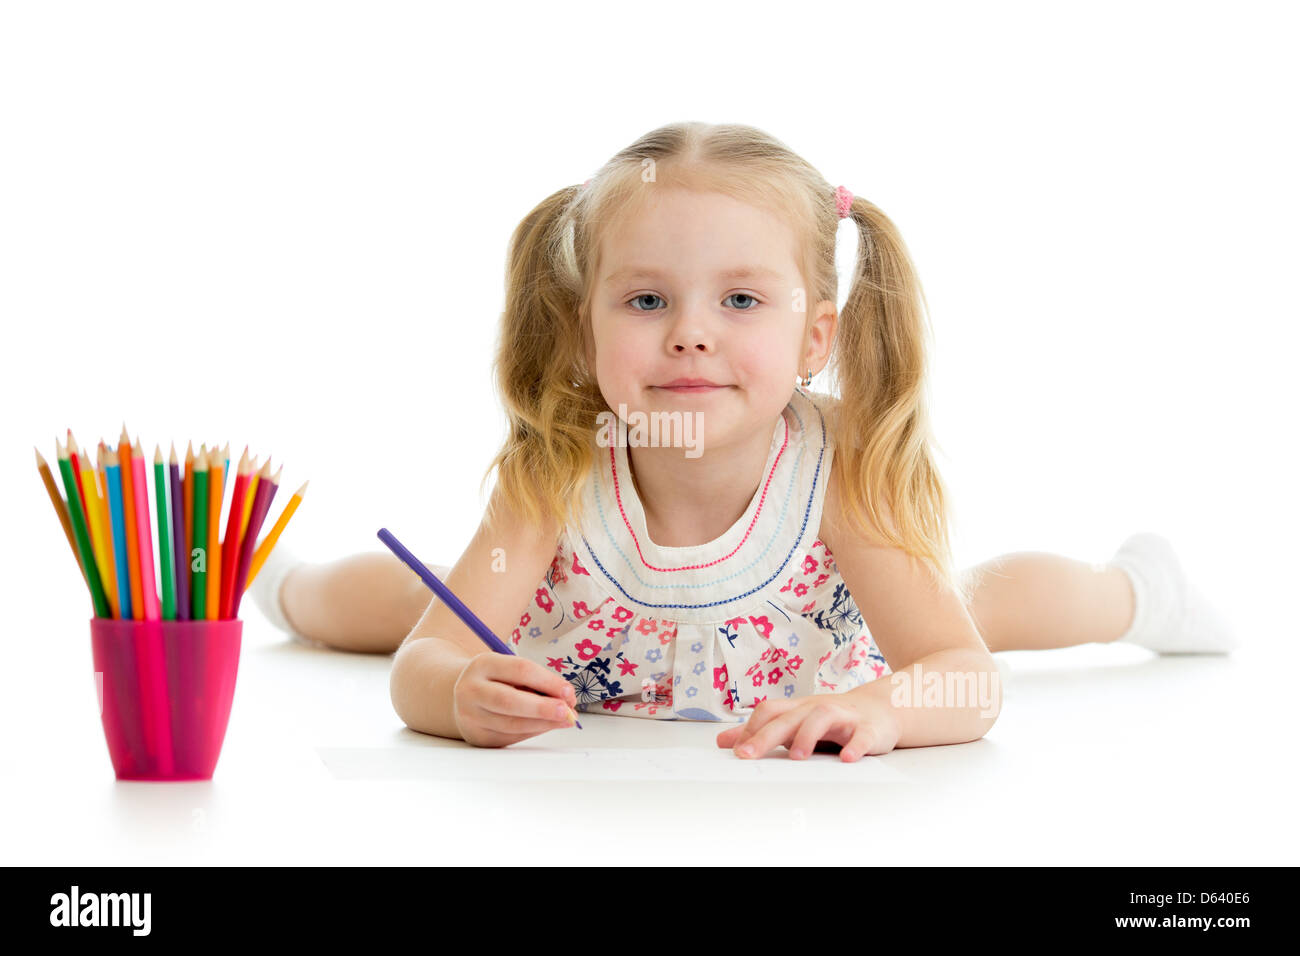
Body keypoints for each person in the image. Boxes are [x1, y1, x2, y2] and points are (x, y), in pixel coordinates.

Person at [250, 121, 1237, 760]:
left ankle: (1134, 587)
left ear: (815, 335)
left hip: (826, 654)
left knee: (985, 604)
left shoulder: (837, 466)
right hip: (571, 636)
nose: (690, 330)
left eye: (739, 299)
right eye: (645, 299)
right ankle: (286, 582)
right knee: (416, 594)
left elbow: (963, 675)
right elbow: (421, 663)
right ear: (585, 321)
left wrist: (888, 710)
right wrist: (460, 686)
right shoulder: (553, 465)